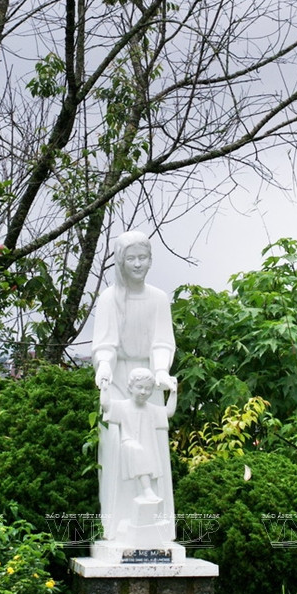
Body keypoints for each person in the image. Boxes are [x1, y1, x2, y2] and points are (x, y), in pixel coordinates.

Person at [92, 231, 176, 541]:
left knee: (152, 450)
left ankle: (156, 527)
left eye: (143, 258)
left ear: (150, 260)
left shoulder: (158, 299)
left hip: (149, 382)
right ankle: (118, 528)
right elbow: (105, 344)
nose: (137, 264)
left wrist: (162, 373)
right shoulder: (109, 299)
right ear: (121, 261)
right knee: (118, 450)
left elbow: (162, 342)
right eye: (131, 258)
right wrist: (103, 367)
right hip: (116, 380)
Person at [100, 367, 177, 504]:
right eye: (139, 387)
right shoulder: (122, 407)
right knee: (136, 450)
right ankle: (147, 490)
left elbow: (169, 412)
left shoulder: (152, 410)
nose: (143, 392)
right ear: (130, 387)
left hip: (147, 446)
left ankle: (146, 491)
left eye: (148, 389)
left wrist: (173, 391)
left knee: (143, 453)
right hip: (129, 445)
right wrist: (104, 387)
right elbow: (106, 405)